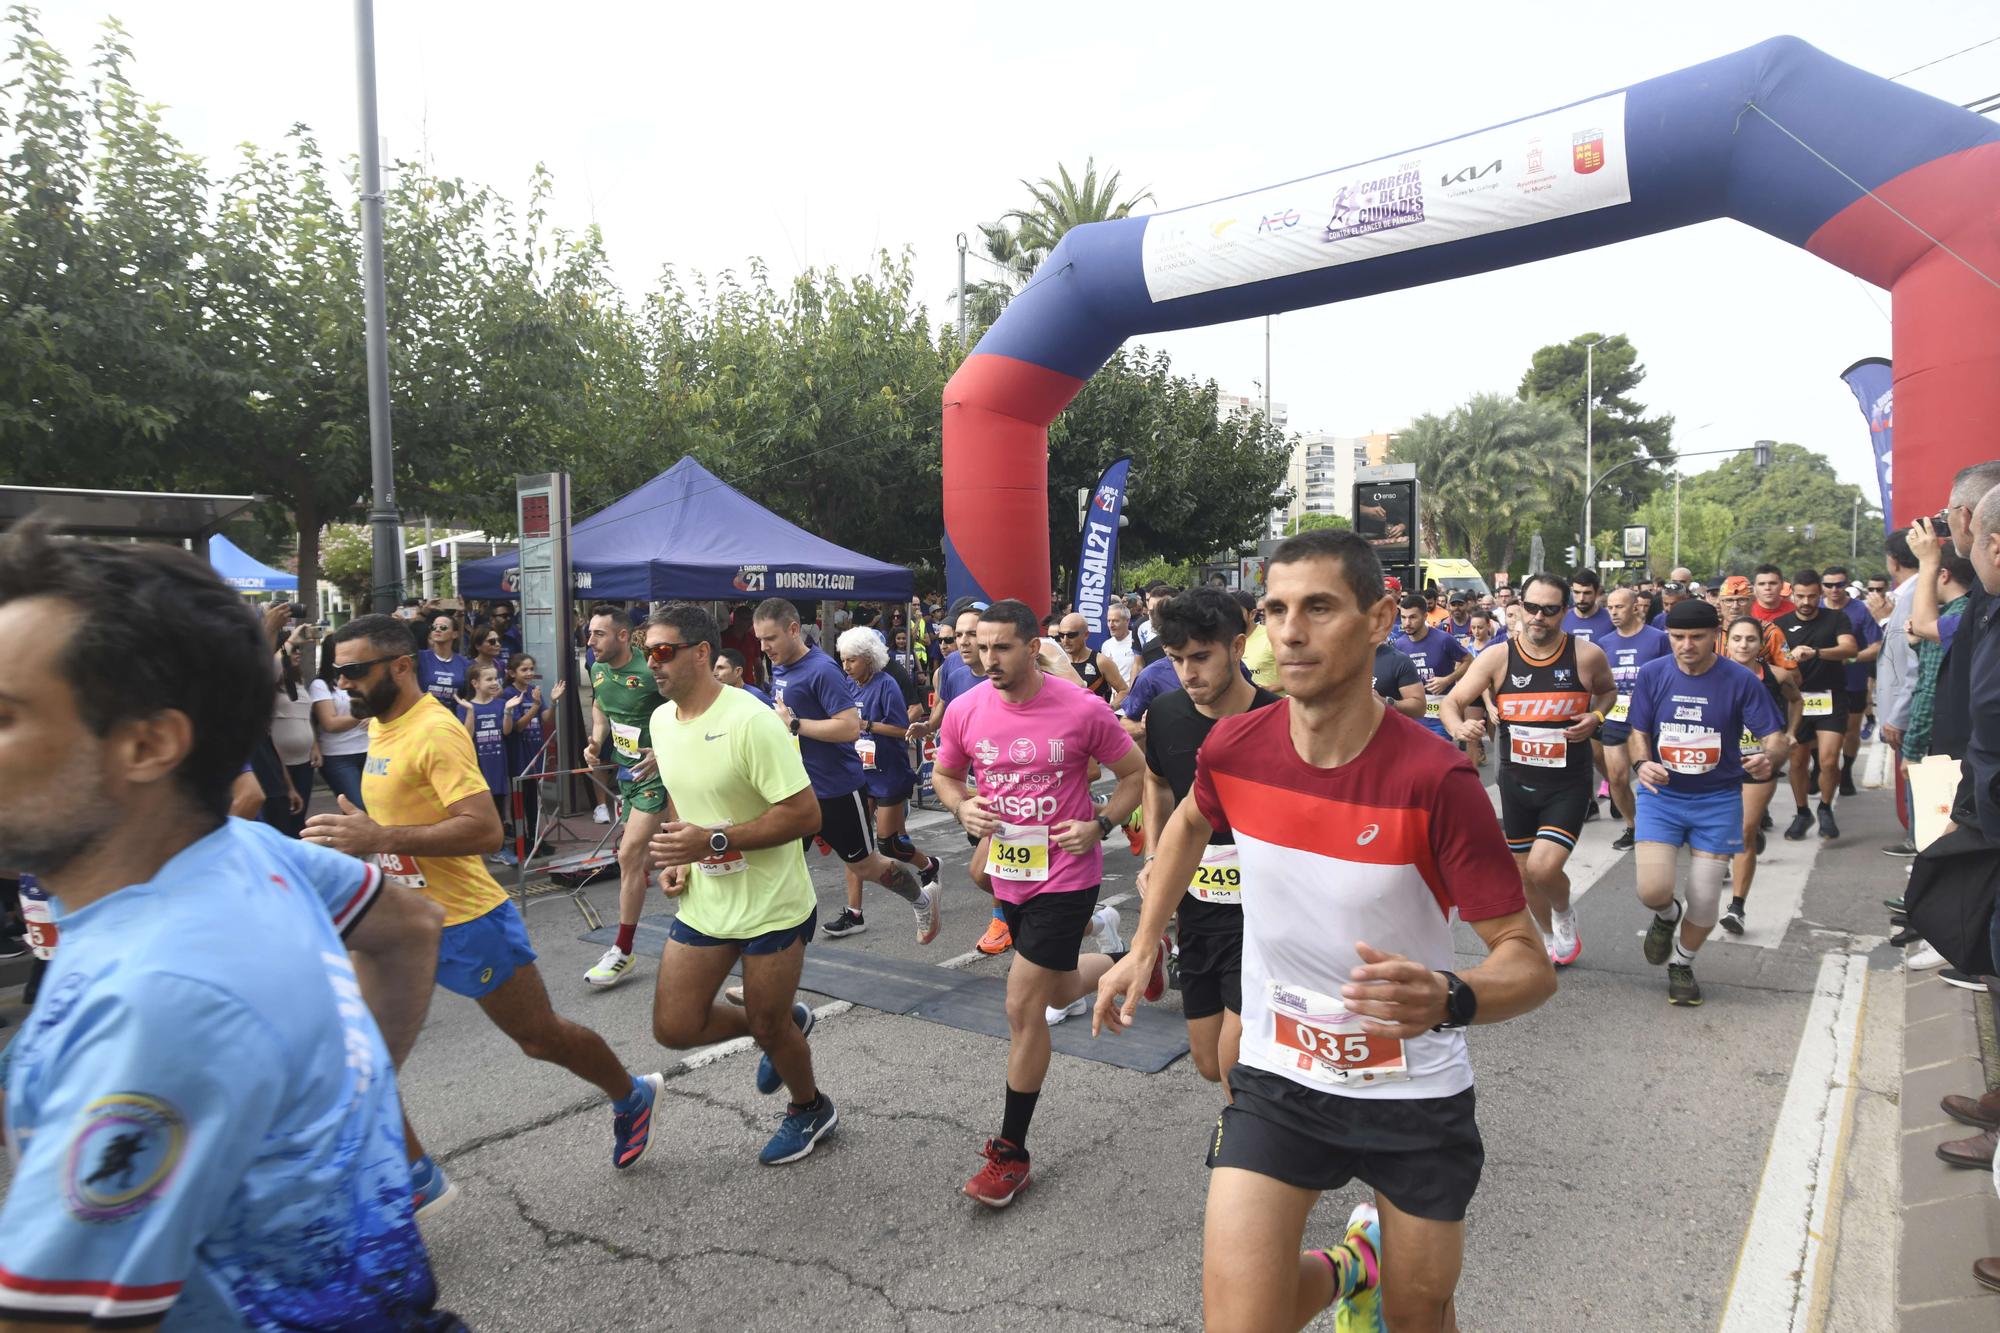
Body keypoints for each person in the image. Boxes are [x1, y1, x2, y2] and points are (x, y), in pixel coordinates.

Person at [0, 527, 465, 1330]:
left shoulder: (153, 1004)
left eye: (6, 713)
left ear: (148, 743)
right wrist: (334, 1112)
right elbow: (408, 926)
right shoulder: (245, 849)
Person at [1094, 528, 1556, 1333]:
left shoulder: (1434, 778)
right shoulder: (1235, 745)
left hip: (1409, 1089)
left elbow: (1527, 961)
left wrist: (1452, 995)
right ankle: (1353, 1266)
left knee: (1420, 1316)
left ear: (1380, 619)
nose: (1291, 631)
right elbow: (1190, 822)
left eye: (1318, 607)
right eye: (1275, 608)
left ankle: (1374, 1276)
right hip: (1280, 1075)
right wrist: (1143, 943)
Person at [311, 615, 662, 1202]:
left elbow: (482, 830)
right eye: (336, 671)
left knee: (539, 1037)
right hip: (400, 921)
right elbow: (399, 820)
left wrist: (381, 840)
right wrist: (366, 846)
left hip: (467, 920)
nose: (342, 683)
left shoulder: (434, 731)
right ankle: (415, 1174)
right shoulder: (382, 724)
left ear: (400, 667)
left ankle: (631, 1094)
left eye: (352, 671)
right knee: (360, 1050)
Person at [932, 600, 1147, 1206]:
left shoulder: (1080, 708)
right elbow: (948, 775)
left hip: (1068, 874)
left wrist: (1100, 822)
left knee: (1023, 1003)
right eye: (977, 645)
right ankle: (1131, 963)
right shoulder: (966, 709)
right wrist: (960, 806)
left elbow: (1134, 773)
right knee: (1052, 991)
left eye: (1001, 647)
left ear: (1033, 648)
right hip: (1009, 872)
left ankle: (1011, 1153)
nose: (986, 658)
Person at [638, 605, 841, 1165]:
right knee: (674, 1026)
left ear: (701, 654)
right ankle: (783, 1025)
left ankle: (810, 1108)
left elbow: (805, 816)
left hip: (773, 906)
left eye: (662, 651)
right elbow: (683, 792)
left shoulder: (751, 721)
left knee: (767, 1024)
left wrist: (711, 842)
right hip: (707, 903)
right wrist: (681, 850)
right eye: (646, 650)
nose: (651, 663)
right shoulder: (662, 721)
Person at [1130, 588, 1278, 1084]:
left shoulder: (1278, 721)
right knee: (1209, 1063)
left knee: (1236, 1061)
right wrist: (1154, 853)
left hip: (1263, 923)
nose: (1189, 674)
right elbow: (1155, 780)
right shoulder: (1168, 714)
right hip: (1196, 913)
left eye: (1200, 657)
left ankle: (1244, 1150)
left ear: (1237, 648)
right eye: (1175, 660)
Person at [1442, 572, 1615, 966]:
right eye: (1531, 607)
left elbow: (1607, 691)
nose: (1538, 617)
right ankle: (1555, 933)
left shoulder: (1585, 655)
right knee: (1524, 875)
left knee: (1543, 867)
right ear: (1518, 607)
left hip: (1568, 783)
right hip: (1516, 782)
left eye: (1549, 610)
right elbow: (1453, 701)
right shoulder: (1498, 657)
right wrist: (1458, 726)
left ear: (1564, 613)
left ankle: (1563, 909)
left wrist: (1596, 717)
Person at [1623, 599, 1789, 1004]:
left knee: (1704, 897)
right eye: (1677, 637)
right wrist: (1642, 763)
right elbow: (1637, 731)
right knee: (1652, 890)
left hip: (1717, 800)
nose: (1686, 645)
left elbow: (1776, 737)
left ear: (1716, 636)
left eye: (1697, 637)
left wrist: (1770, 758)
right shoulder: (1652, 674)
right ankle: (1666, 916)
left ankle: (1682, 962)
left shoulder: (1741, 680)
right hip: (1662, 797)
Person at [756, 597, 937, 941]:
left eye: (771, 639)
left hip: (837, 789)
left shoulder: (822, 670)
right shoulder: (779, 667)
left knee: (865, 865)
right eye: (760, 641)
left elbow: (849, 728)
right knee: (777, 870)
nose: (765, 648)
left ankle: (921, 899)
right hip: (795, 789)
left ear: (794, 630)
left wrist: (795, 725)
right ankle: (773, 958)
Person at [823, 626, 940, 939]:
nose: (846, 666)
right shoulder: (848, 685)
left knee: (889, 843)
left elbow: (901, 728)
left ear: (869, 659)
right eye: (843, 660)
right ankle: (854, 914)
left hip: (889, 771)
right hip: (860, 773)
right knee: (855, 845)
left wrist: (867, 725)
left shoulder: (885, 684)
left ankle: (927, 865)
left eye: (852, 660)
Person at [581, 604, 673, 988]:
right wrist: (596, 740)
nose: (590, 641)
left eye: (598, 634)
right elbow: (601, 707)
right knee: (675, 853)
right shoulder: (597, 669)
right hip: (627, 773)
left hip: (660, 774)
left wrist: (665, 750)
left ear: (622, 636)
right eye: (589, 634)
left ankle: (622, 949)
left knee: (630, 854)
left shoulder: (652, 671)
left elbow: (688, 711)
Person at [1720, 616, 1798, 935]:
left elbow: (1797, 701)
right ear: (1727, 642)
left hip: (1759, 764)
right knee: (1721, 828)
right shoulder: (1712, 675)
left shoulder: (1777, 675)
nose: (1743, 645)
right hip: (1720, 763)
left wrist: (1789, 734)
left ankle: (1736, 908)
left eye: (1750, 639)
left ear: (1761, 644)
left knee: (1744, 829)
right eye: (1737, 639)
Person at [1772, 569, 1860, 841]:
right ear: (1792, 595)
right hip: (1796, 701)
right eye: (1800, 596)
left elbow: (1850, 649)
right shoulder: (1780, 624)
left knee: (1829, 760)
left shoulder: (1836, 618)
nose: (1806, 602)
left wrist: (1817, 653)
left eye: (1812, 596)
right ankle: (1802, 812)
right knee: (1797, 761)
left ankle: (1824, 807)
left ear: (1820, 595)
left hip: (1830, 697)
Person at [1598, 587, 1672, 852]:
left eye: (1620, 607)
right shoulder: (1604, 643)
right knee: (1617, 777)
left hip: (1649, 719)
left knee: (1656, 777)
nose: (1614, 612)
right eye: (1610, 607)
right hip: (1616, 718)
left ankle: (1666, 824)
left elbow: (1669, 676)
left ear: (1636, 608)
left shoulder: (1657, 639)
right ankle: (1633, 825)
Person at [1875, 529, 1925, 856]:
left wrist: (1898, 715)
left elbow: (1913, 663)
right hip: (1905, 707)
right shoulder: (1910, 592)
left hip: (1908, 709)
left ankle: (1918, 838)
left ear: (1893, 562)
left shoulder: (1914, 593)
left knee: (1916, 775)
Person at [1820, 565, 1883, 796]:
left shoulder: (1860, 610)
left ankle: (1846, 772)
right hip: (1819, 684)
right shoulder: (1814, 608)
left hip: (1852, 682)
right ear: (1822, 586)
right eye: (1829, 585)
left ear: (1847, 585)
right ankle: (1821, 767)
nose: (1834, 589)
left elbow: (1876, 646)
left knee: (1850, 731)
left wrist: (1851, 659)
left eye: (1839, 584)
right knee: (1817, 731)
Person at [1389, 594, 1471, 743]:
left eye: (1413, 617)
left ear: (1425, 616)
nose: (1407, 623)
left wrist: (1447, 680)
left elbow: (1468, 660)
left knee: (1436, 761)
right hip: (1412, 717)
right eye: (1404, 617)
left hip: (1441, 716)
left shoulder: (1444, 639)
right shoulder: (1399, 645)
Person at [502, 654, 557, 859]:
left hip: (535, 750)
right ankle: (521, 841)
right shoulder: (508, 693)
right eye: (524, 669)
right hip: (519, 754)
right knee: (520, 800)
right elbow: (517, 726)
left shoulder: (534, 692)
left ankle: (535, 839)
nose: (529, 673)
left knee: (533, 800)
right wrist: (534, 706)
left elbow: (545, 718)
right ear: (512, 672)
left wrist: (552, 702)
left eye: (531, 669)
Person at [267, 633, 317, 837]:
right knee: (281, 822)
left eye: (299, 649)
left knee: (299, 822)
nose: (297, 653)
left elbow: (306, 716)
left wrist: (315, 746)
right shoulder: (270, 683)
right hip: (281, 763)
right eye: (293, 649)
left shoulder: (299, 679)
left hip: (304, 762)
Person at [312, 638, 372, 810]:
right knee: (358, 808)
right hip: (339, 756)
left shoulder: (363, 679)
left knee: (376, 807)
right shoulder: (320, 685)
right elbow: (330, 723)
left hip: (369, 750)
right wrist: (363, 715)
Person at [1055, 611, 1129, 706]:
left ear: (1086, 635)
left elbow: (1125, 691)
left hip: (1092, 719)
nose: (1065, 640)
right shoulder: (1056, 660)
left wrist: (1107, 710)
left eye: (1071, 635)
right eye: (1061, 635)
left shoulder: (1101, 662)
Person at [415, 612, 470, 706]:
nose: (437, 630)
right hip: (424, 714)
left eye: (443, 627)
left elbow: (468, 696)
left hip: (451, 716)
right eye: (434, 627)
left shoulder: (465, 664)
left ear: (455, 634)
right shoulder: (420, 658)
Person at [1372, 639, 1426, 720]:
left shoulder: (1399, 661)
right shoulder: (1348, 659)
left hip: (1387, 728)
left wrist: (1385, 701)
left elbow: (1419, 708)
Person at [1561, 569, 1613, 644]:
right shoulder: (1560, 618)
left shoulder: (1611, 619)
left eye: (1587, 593)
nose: (1581, 598)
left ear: (1597, 592)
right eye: (1577, 592)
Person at [1103, 600, 1140, 682]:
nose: (1111, 625)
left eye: (1115, 621)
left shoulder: (1138, 640)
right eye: (1109, 621)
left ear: (1127, 621)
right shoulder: (1106, 645)